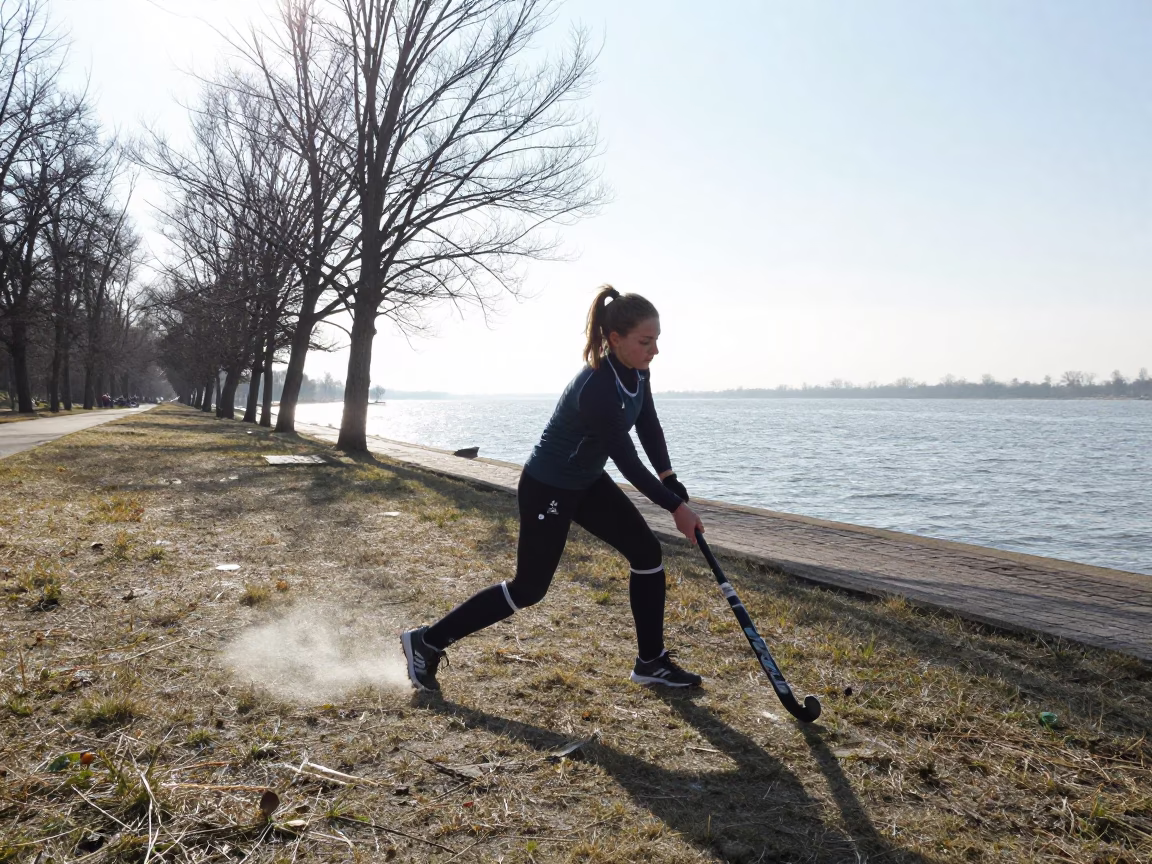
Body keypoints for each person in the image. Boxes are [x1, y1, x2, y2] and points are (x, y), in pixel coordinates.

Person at [402, 286, 706, 692]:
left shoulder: (637, 371)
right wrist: (675, 508)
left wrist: (669, 477)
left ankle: (651, 662)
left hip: (586, 480)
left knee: (647, 553)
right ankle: (427, 642)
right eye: (645, 342)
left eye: (656, 341)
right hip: (549, 486)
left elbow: (648, 423)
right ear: (615, 339)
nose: (654, 351)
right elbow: (627, 459)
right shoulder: (597, 386)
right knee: (529, 588)